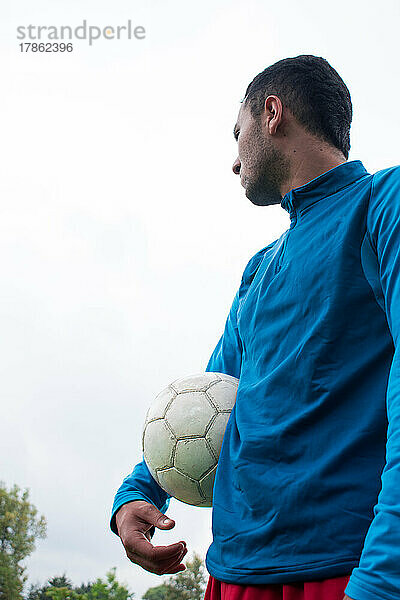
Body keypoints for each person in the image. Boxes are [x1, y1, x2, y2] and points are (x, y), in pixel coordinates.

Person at [109, 55, 400, 600]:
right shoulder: (258, 271)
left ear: (272, 114)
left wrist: (385, 576)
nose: (234, 161)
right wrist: (139, 490)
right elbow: (211, 396)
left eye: (236, 133)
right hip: (233, 571)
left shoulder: (383, 205)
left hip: (348, 567)